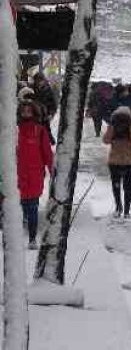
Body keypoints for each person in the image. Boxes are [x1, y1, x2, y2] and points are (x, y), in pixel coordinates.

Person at [17, 100, 54, 249]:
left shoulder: (39, 131)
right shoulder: (14, 130)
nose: (26, 113)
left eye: (29, 111)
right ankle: (17, 237)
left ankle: (32, 238)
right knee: (19, 207)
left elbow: (47, 153)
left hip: (34, 175)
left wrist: (52, 171)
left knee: (32, 206)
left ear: (33, 112)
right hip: (17, 175)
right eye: (23, 111)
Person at [103, 107, 131, 219]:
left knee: (116, 185)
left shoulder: (113, 124)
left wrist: (112, 127)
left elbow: (105, 140)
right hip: (130, 161)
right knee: (127, 186)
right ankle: (127, 211)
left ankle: (118, 207)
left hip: (115, 160)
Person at [31, 73, 57, 145]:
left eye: (40, 80)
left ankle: (50, 142)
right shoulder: (32, 89)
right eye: (37, 81)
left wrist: (51, 113)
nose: (39, 83)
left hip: (45, 114)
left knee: (46, 130)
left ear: (43, 81)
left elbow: (53, 104)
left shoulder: (48, 90)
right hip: (34, 114)